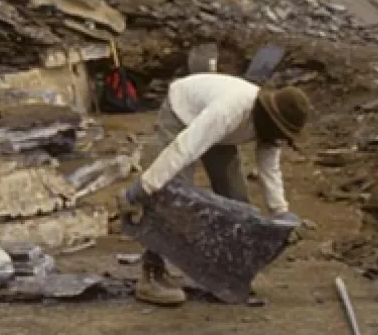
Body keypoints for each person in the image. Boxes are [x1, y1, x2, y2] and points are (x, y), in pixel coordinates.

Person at [119, 73, 311, 306]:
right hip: (184, 112)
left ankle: (227, 276)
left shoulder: (270, 126)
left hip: (222, 132)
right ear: (268, 118)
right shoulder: (229, 111)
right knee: (173, 198)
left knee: (237, 202)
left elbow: (269, 169)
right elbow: (185, 147)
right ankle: (152, 274)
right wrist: (144, 186)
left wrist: (281, 214)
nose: (278, 139)